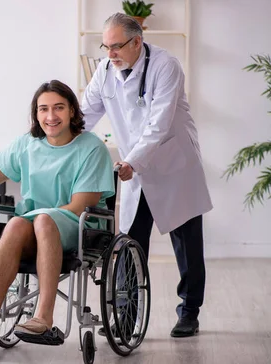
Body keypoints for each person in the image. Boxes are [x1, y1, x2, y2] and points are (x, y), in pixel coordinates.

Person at [0, 79, 115, 347]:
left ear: (72, 110)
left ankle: (43, 317)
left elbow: (80, 205)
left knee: (43, 220)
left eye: (58, 108)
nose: (50, 116)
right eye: (43, 109)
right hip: (34, 227)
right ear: (36, 114)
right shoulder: (27, 144)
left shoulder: (91, 148)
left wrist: (41, 220)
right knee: (15, 224)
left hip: (78, 227)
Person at [82, 13, 213, 338]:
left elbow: (159, 124)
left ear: (137, 41)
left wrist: (132, 162)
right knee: (129, 244)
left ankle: (189, 312)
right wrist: (59, 140)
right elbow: (85, 114)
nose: (109, 53)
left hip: (173, 165)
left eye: (116, 46)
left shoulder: (165, 66)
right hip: (136, 171)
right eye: (105, 46)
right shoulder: (104, 70)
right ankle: (126, 320)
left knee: (187, 245)